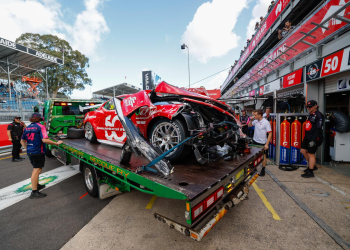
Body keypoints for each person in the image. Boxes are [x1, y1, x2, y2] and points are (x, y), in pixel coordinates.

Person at [20, 112, 63, 198]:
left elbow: (22, 141)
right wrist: (57, 143)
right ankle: (34, 191)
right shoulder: (41, 126)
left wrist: (27, 149)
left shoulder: (27, 128)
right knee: (36, 170)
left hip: (30, 152)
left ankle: (37, 185)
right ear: (40, 119)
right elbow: (44, 140)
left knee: (37, 169)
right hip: (38, 152)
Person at [300, 100, 324, 178]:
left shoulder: (319, 115)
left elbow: (318, 129)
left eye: (310, 107)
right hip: (307, 137)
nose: (308, 108)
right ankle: (312, 165)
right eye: (307, 107)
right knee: (303, 151)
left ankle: (310, 171)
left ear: (315, 106)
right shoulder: (310, 114)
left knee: (311, 154)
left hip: (314, 138)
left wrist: (313, 140)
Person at [248, 109, 272, 176]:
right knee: (254, 156)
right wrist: (251, 120)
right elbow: (249, 126)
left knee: (263, 156)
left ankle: (263, 169)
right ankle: (254, 168)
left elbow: (270, 133)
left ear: (260, 115)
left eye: (255, 115)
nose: (254, 116)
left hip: (262, 142)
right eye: (254, 115)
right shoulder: (255, 121)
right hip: (255, 141)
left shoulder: (266, 122)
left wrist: (267, 144)